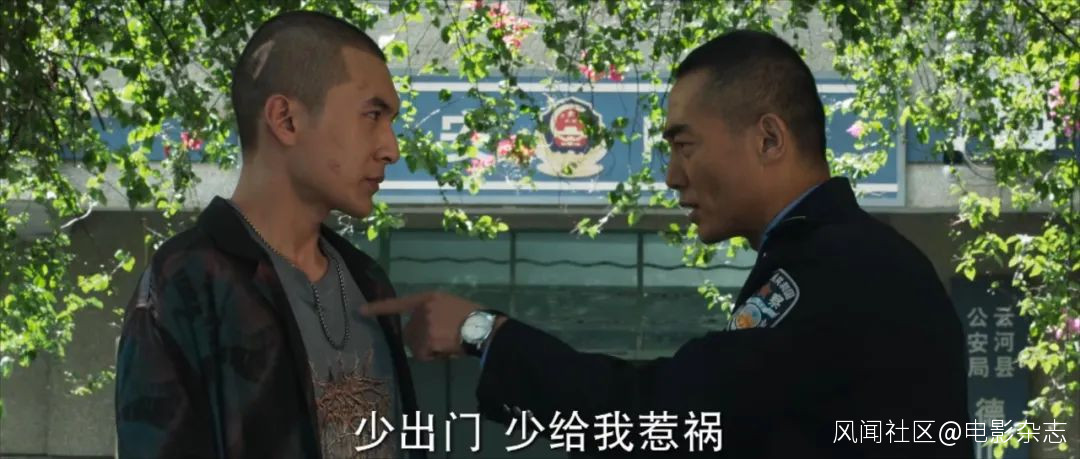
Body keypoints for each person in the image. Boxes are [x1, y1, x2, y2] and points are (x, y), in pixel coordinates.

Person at [363, 30, 973, 458]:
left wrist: (483, 333)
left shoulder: (839, 267)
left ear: (768, 139)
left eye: (685, 145)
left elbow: (666, 419)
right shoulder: (844, 257)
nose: (673, 176)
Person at [115, 11, 422, 459]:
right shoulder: (184, 285)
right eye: (372, 115)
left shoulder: (369, 282)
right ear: (286, 120)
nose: (391, 149)